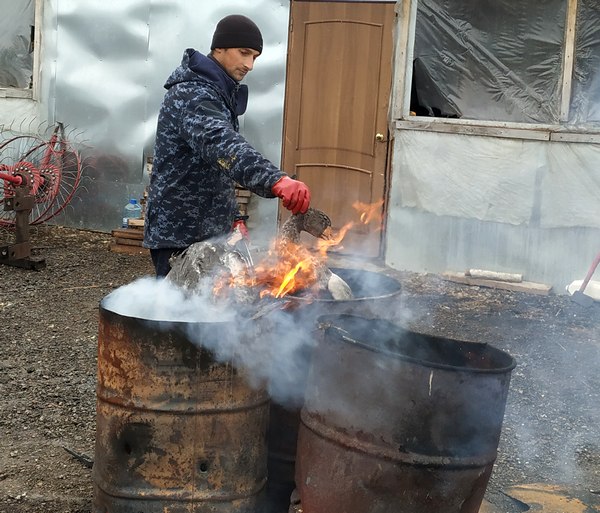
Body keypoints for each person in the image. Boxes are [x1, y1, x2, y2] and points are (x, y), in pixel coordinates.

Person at [144, 14, 310, 277]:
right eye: (244, 53)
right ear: (219, 47)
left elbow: (217, 168)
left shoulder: (218, 93)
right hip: (181, 234)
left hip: (211, 232)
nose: (250, 65)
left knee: (213, 313)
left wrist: (234, 217)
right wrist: (275, 179)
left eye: (255, 57)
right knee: (178, 315)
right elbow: (222, 144)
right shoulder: (192, 94)